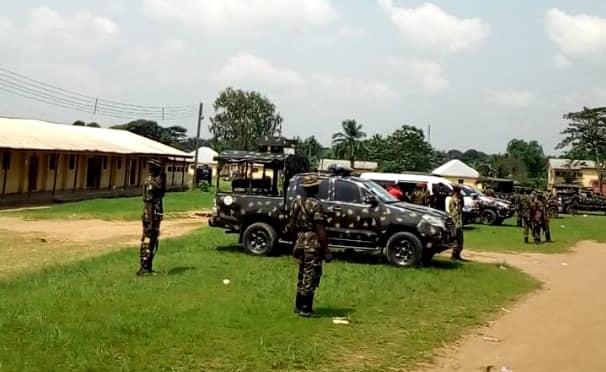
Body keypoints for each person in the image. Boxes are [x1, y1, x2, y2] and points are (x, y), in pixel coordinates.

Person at [289, 174, 331, 317]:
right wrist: (326, 250)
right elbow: (320, 228)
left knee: (302, 274)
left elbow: (292, 225)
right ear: (314, 188)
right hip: (312, 242)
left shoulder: (296, 203)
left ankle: (298, 305)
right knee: (311, 274)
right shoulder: (315, 204)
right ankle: (305, 308)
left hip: (300, 240)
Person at [137, 158, 166, 276]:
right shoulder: (150, 182)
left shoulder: (155, 181)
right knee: (148, 240)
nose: (160, 171)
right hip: (150, 217)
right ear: (154, 169)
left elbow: (162, 193)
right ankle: (144, 267)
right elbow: (149, 202)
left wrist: (164, 177)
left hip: (155, 216)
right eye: (159, 169)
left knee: (153, 240)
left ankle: (148, 267)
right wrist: (151, 221)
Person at [447, 186, 464, 261]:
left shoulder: (458, 200)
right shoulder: (454, 200)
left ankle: (457, 255)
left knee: (460, 240)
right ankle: (454, 256)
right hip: (455, 222)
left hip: (458, 222)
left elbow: (460, 210)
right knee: (456, 240)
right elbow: (453, 212)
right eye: (459, 191)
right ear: (457, 192)